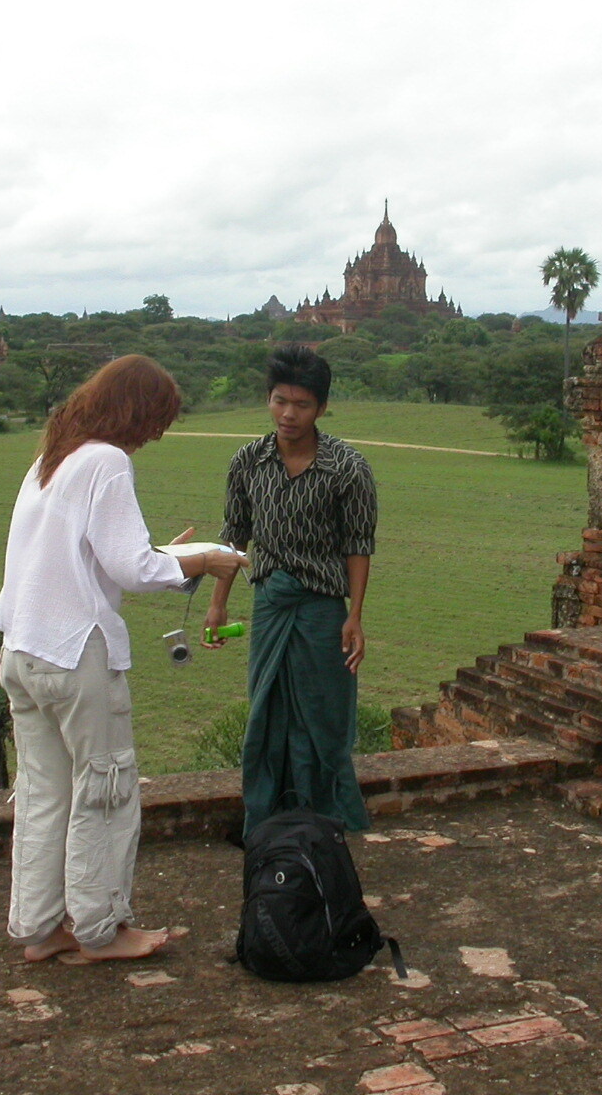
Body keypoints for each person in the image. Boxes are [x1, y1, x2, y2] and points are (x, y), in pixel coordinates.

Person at [0, 355, 246, 965]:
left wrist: (165, 557)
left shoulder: (52, 460)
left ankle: (40, 927)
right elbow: (130, 569)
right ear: (136, 410)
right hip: (77, 652)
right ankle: (102, 929)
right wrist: (203, 563)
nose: (157, 433)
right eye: (157, 417)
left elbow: (97, 556)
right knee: (106, 788)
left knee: (43, 793)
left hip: (23, 650)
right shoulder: (107, 461)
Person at [202, 344, 377, 837]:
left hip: (323, 610)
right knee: (267, 715)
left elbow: (358, 544)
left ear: (321, 408)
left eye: (301, 404)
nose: (289, 414)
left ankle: (325, 823)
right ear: (268, 399)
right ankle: (269, 821)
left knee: (323, 719)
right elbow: (234, 537)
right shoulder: (248, 462)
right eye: (280, 401)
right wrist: (218, 605)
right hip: (271, 605)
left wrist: (355, 615)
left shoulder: (346, 467)